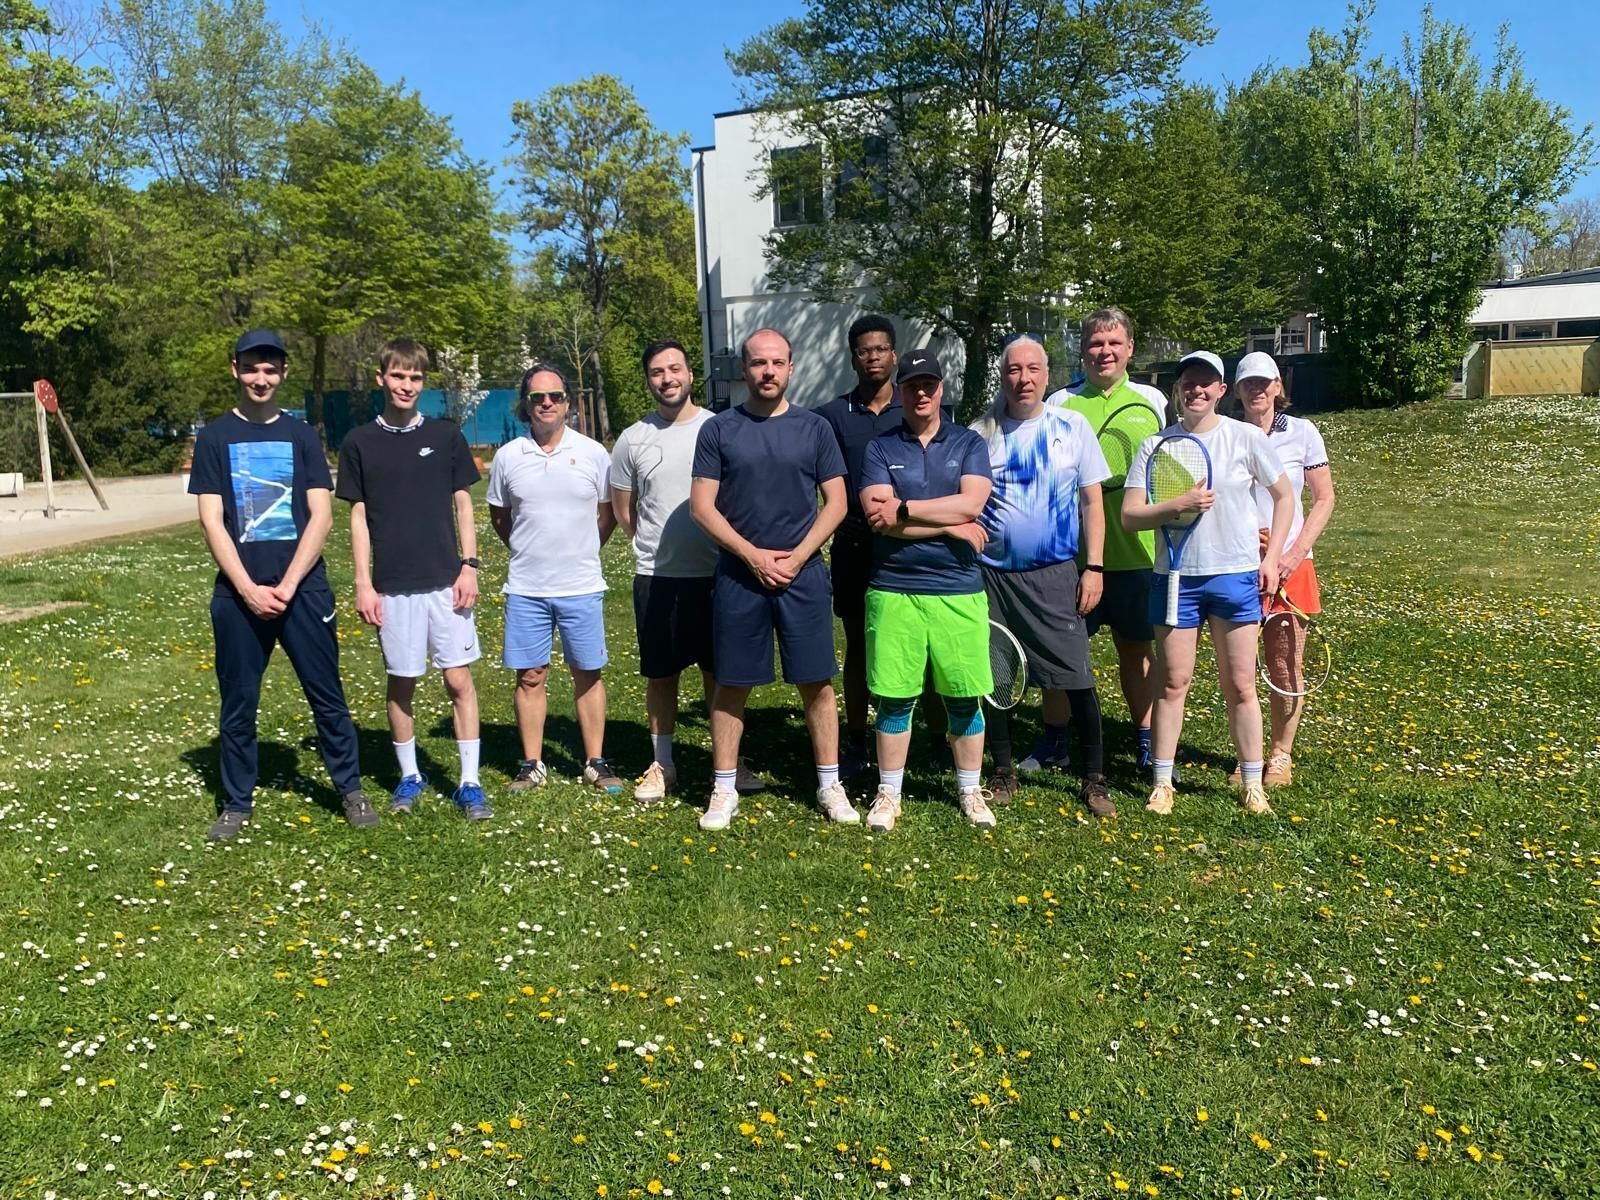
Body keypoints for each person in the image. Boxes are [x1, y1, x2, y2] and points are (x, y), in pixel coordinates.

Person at [189, 329, 371, 840]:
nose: (261, 378)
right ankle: (236, 803)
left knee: (327, 696)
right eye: (252, 368)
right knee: (238, 703)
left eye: (270, 369)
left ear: (284, 373)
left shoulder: (302, 436)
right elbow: (211, 521)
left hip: (303, 591)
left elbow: (321, 517)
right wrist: (247, 589)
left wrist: (288, 585)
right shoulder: (215, 438)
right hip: (238, 595)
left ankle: (350, 790)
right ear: (236, 370)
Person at [690, 328, 851, 831]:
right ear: (744, 369)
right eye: (759, 363)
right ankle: (723, 787)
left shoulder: (815, 428)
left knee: (816, 682)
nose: (768, 371)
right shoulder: (719, 429)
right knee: (731, 683)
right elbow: (702, 507)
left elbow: (838, 503)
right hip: (740, 576)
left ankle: (829, 784)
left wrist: (797, 558)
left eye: (777, 362)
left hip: (803, 575)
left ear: (791, 368)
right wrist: (753, 556)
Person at [1122, 350, 1294, 817]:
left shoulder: (1244, 437)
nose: (1196, 390)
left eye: (1206, 383)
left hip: (1234, 576)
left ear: (1221, 389)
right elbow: (1131, 516)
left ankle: (1253, 785)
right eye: (1188, 383)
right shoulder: (1155, 446)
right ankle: (1162, 783)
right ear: (1177, 390)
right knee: (1172, 682)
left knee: (1240, 685)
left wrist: (1272, 558)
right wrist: (1178, 504)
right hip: (1175, 579)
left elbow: (1285, 498)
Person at [336, 338, 487, 820]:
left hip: (446, 583)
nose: (406, 385)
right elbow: (358, 518)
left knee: (459, 680)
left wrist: (469, 565)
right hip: (392, 586)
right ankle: (409, 776)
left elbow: (464, 504)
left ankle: (469, 782)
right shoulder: (359, 442)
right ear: (381, 378)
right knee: (401, 682)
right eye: (398, 376)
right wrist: (363, 583)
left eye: (415, 377)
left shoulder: (445, 435)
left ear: (424, 382)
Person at [610, 339, 765, 801]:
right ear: (648, 380)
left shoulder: (720, 428)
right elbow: (624, 509)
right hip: (658, 578)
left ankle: (729, 764)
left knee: (722, 673)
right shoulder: (632, 439)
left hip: (719, 574)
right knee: (662, 675)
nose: (667, 378)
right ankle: (663, 764)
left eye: (675, 368)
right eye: (657, 372)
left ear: (691, 374)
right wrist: (655, 545)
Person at [970, 333, 1115, 817]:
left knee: (1076, 676)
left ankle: (1095, 779)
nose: (1023, 379)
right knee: (995, 678)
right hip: (993, 579)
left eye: (1033, 369)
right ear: (1002, 376)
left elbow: (1092, 502)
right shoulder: (980, 434)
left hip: (1056, 575)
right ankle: (1002, 770)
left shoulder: (1071, 427)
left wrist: (1094, 567)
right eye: (1014, 369)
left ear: (1047, 375)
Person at [857, 349, 995, 830]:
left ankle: (971, 791)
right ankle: (888, 794)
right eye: (913, 384)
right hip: (894, 588)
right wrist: (950, 524)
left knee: (964, 697)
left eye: (929, 384)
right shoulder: (879, 448)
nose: (921, 392)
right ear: (900, 390)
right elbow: (878, 520)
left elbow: (972, 504)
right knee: (894, 698)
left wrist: (907, 508)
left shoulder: (968, 442)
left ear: (941, 389)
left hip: (958, 589)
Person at [486, 363, 624, 795]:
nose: (547, 403)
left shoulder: (594, 453)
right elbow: (499, 516)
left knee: (588, 673)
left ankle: (595, 762)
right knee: (530, 676)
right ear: (525, 404)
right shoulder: (508, 457)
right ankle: (532, 765)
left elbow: (608, 514)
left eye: (555, 396)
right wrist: (527, 549)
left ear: (568, 403)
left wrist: (584, 549)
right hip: (526, 588)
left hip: (581, 585)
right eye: (537, 397)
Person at [1046, 307, 1168, 772]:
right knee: (1061, 653)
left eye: (1115, 343)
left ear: (1130, 348)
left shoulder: (1152, 401)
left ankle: (1147, 741)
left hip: (1137, 555)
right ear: (1083, 350)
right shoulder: (1060, 402)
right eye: (1096, 343)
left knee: (1136, 651)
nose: (1105, 351)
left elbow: (1168, 471)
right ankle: (1055, 740)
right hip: (1072, 558)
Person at [1229, 351, 1336, 788]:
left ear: (1278, 386)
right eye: (1247, 383)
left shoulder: (1303, 432)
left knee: (1285, 662)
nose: (1256, 389)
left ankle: (1280, 754)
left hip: (1293, 566)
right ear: (1236, 390)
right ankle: (1248, 755)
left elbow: (1324, 498)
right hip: (1237, 564)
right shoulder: (1228, 433)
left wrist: (1291, 553)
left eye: (1264, 382)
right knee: (1239, 668)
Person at [817, 314, 903, 777]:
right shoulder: (832, 417)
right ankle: (855, 739)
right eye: (864, 350)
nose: (873, 357)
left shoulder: (914, 406)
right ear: (853, 358)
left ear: (894, 354)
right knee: (857, 644)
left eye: (880, 349)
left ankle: (923, 736)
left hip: (906, 543)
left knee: (909, 642)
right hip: (852, 544)